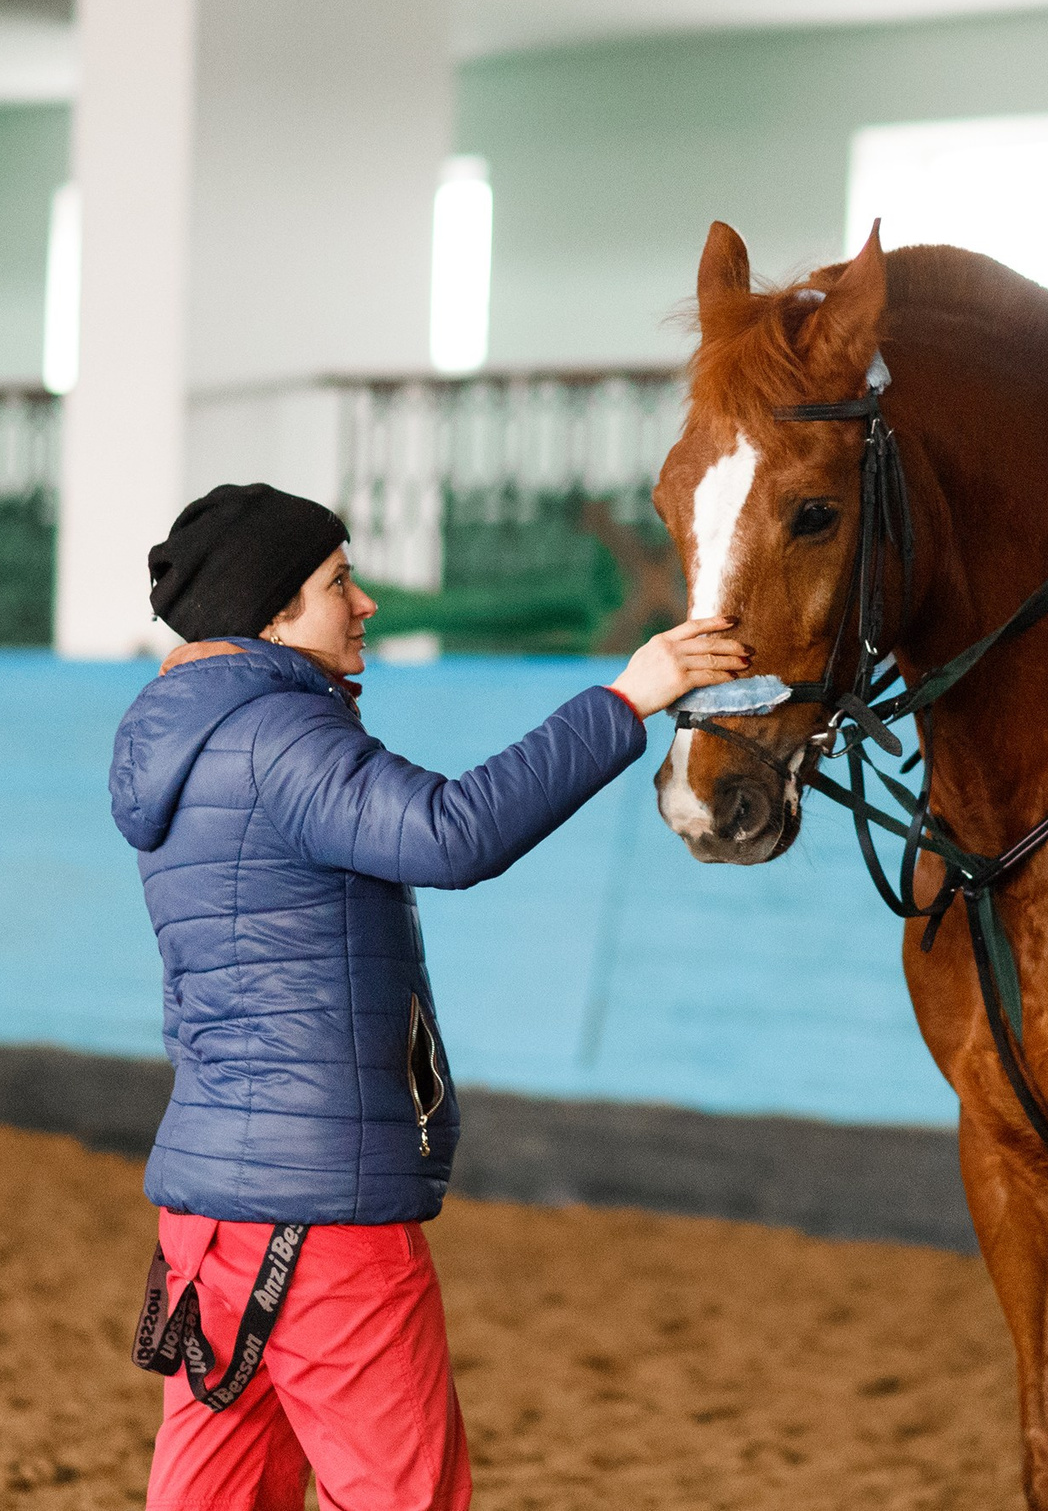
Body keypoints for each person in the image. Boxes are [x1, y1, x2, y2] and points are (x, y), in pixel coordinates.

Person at [109, 482, 746, 1510]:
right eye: (338, 583)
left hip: (210, 1209)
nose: (365, 605)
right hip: (322, 1212)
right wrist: (627, 698)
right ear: (272, 611)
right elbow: (452, 834)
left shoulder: (185, 738)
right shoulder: (279, 736)